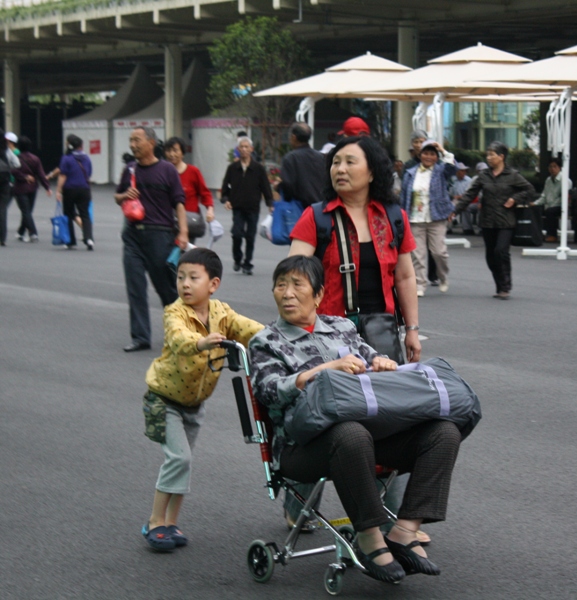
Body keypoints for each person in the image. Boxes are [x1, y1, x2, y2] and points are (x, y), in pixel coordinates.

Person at [250, 255, 462, 584]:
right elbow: (269, 392)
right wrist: (323, 371)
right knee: (350, 433)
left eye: (297, 285)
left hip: (367, 434)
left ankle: (406, 531)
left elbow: (369, 355)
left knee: (442, 431)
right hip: (301, 448)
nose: (287, 293)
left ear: (318, 294)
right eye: (280, 285)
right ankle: (369, 538)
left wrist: (382, 363)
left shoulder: (341, 327)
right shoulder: (265, 341)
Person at [288, 135, 422, 533]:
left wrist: (412, 330)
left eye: (349, 162)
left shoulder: (393, 216)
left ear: (372, 170)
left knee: (391, 417)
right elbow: (293, 275)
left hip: (381, 329)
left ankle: (390, 512)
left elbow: (404, 274)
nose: (340, 170)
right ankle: (298, 503)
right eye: (335, 163)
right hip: (327, 333)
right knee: (323, 416)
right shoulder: (317, 216)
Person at [141, 248, 263, 551]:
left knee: (184, 462)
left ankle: (171, 523)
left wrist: (275, 337)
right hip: (163, 400)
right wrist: (201, 341)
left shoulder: (221, 312)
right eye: (181, 277)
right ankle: (155, 522)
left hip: (195, 405)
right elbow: (178, 338)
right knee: (178, 458)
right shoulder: (175, 311)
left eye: (193, 277)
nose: (185, 284)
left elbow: (247, 328)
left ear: (213, 284)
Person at [115, 126, 189, 352]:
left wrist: (183, 232)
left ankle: (180, 333)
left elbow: (179, 202)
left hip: (160, 235)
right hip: (132, 234)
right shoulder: (130, 169)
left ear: (151, 142)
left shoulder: (167, 170)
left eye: (137, 140)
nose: (133, 144)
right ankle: (140, 337)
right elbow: (117, 196)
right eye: (131, 140)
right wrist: (123, 196)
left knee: (166, 288)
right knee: (135, 287)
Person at [454, 141, 535, 300]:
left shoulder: (512, 175)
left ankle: (506, 286)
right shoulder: (483, 176)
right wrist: (455, 210)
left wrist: (514, 198)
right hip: (488, 221)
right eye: (488, 154)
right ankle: (499, 285)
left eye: (492, 154)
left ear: (501, 157)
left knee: (501, 251)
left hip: (506, 221)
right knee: (490, 255)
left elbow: (529, 189)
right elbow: (470, 194)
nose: (489, 157)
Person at [400, 139, 455, 296]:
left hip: (436, 217)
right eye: (426, 153)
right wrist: (402, 216)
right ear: (420, 155)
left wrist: (443, 150)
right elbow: (404, 196)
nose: (428, 157)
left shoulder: (441, 171)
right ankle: (420, 284)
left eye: (432, 154)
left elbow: (452, 166)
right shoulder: (410, 173)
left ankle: (443, 277)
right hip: (415, 219)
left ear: (436, 157)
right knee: (418, 254)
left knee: (439, 252)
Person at [220, 136, 273, 275]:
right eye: (241, 147)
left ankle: (247, 263)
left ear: (251, 149)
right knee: (236, 234)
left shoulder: (258, 168)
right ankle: (237, 259)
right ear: (238, 150)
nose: (244, 149)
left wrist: (270, 203)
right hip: (237, 208)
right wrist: (226, 200)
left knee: (250, 236)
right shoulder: (232, 168)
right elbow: (224, 189)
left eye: (246, 147)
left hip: (253, 208)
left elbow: (266, 187)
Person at [163, 137, 214, 245]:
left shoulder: (193, 171)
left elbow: (204, 193)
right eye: (168, 151)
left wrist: (210, 209)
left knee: (185, 256)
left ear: (182, 153)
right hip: (167, 221)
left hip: (189, 221)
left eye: (175, 150)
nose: (172, 154)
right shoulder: (162, 172)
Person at [56, 134, 94, 250]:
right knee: (85, 214)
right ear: (80, 146)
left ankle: (70, 240)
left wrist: (58, 191)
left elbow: (63, 175)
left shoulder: (66, 158)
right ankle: (89, 238)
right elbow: (89, 173)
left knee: (68, 213)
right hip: (84, 189)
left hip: (70, 189)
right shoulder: (86, 158)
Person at [277, 122, 326, 209]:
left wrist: (278, 187)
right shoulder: (321, 157)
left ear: (293, 137)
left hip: (300, 210)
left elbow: (288, 187)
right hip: (320, 209)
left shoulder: (290, 158)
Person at [12, 136, 51, 243]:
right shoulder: (35, 159)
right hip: (33, 188)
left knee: (26, 211)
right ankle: (21, 232)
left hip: (20, 188)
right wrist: (47, 186)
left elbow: (13, 171)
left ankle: (33, 233)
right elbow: (41, 174)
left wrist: (24, 177)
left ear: (18, 146)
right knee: (28, 211)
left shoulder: (16, 158)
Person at [531, 157, 568, 243]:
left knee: (550, 211)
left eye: (555, 166)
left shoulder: (564, 180)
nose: (552, 169)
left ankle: (552, 235)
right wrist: (535, 203)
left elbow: (564, 198)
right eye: (550, 167)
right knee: (535, 209)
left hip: (561, 206)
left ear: (560, 168)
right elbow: (544, 196)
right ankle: (538, 233)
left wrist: (551, 205)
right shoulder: (548, 180)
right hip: (550, 206)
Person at [0, 130, 20, 246]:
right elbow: (17, 164)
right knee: (2, 209)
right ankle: (2, 238)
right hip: (5, 182)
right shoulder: (7, 150)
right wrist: (8, 168)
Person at [449, 162, 475, 235]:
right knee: (449, 207)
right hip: (455, 200)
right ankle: (449, 227)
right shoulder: (453, 180)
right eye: (460, 170)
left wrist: (460, 197)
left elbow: (470, 193)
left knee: (465, 207)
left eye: (463, 171)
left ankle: (467, 228)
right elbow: (451, 192)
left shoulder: (469, 181)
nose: (462, 172)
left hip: (467, 200)